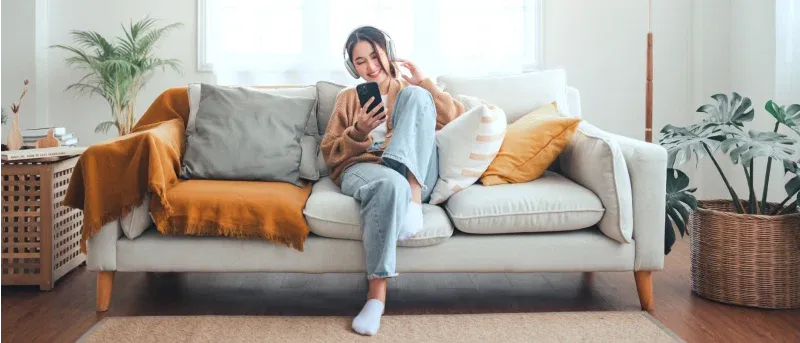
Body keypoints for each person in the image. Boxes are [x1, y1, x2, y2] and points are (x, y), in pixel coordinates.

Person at [320, 26, 464, 336]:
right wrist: (358, 131)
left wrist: (424, 83)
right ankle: (376, 300)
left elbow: (455, 119)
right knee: (389, 184)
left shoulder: (412, 90)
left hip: (416, 176)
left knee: (415, 96)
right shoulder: (347, 98)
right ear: (352, 67)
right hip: (366, 168)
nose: (370, 66)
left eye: (375, 55)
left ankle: (410, 199)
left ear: (388, 52)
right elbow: (330, 154)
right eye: (360, 61)